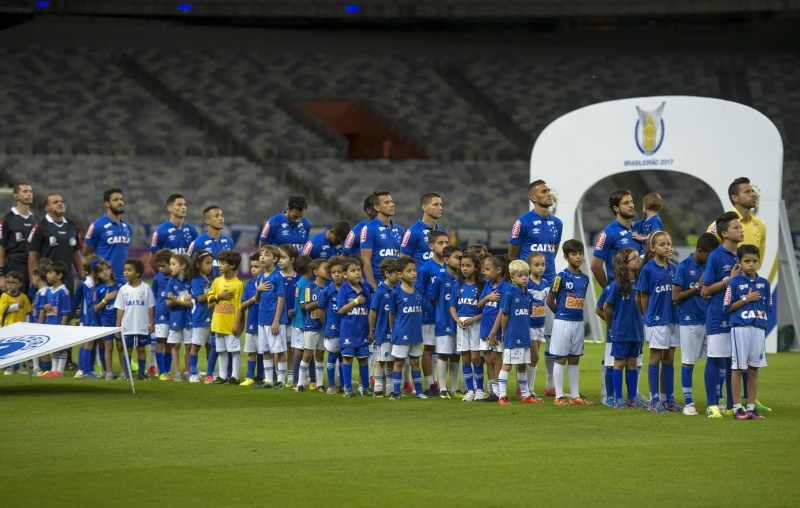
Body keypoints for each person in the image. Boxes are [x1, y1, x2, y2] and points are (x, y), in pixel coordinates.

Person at [508, 180, 563, 397]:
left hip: (549, 285)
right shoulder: (522, 222)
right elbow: (513, 254)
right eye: (544, 191)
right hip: (527, 289)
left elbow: (553, 251)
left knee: (548, 335)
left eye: (549, 190)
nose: (549, 194)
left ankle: (549, 385)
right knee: (526, 338)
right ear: (533, 198)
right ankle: (522, 388)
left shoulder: (557, 223)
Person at [701, 212, 743, 418]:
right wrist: (729, 279)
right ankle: (711, 405)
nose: (741, 230)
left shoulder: (741, 255)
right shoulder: (716, 257)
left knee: (734, 363)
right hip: (718, 316)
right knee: (716, 359)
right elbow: (706, 290)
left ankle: (733, 404)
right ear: (725, 233)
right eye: (736, 227)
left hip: (737, 318)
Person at [672, 232, 719, 416]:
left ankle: (716, 400)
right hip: (690, 321)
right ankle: (689, 403)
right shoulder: (683, 267)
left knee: (715, 360)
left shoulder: (710, 266)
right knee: (688, 362)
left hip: (709, 319)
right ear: (700, 251)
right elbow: (675, 296)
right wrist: (697, 287)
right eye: (710, 254)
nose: (712, 258)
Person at [723, 244, 771, 420]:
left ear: (759, 262)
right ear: (740, 262)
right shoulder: (734, 283)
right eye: (747, 261)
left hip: (757, 329)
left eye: (754, 261)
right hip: (740, 329)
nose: (751, 264)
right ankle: (737, 408)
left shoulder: (764, 284)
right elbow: (727, 308)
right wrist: (746, 299)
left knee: (753, 369)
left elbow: (767, 307)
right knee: (737, 369)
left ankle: (751, 408)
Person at [636, 231, 681, 413]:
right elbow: (641, 295)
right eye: (662, 244)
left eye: (669, 244)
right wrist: (647, 316)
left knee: (669, 359)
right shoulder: (648, 269)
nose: (667, 247)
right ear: (653, 248)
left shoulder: (673, 268)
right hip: (657, 319)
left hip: (673, 318)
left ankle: (667, 399)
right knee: (655, 358)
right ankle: (654, 399)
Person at [546, 239, 593, 405]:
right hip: (563, 323)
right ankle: (558, 396)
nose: (578, 257)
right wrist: (560, 314)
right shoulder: (560, 277)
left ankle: (574, 396)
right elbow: (550, 300)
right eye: (574, 254)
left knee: (575, 358)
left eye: (580, 253)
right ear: (566, 257)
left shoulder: (585, 279)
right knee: (561, 358)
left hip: (578, 323)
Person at [490, 260, 537, 405]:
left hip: (524, 336)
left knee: (522, 365)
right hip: (512, 336)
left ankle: (525, 394)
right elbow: (504, 315)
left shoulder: (529, 296)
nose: (524, 278)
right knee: (508, 364)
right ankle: (502, 396)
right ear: (512, 277)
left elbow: (527, 316)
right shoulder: (510, 293)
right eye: (520, 275)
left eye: (526, 275)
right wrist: (504, 333)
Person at [603, 249, 644, 409]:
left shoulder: (640, 283)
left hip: (637, 331)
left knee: (633, 363)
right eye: (634, 258)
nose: (638, 260)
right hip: (621, 331)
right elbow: (606, 306)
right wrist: (611, 324)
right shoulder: (617, 285)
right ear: (624, 264)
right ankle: (618, 398)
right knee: (619, 363)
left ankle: (632, 398)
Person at [388, 257, 430, 399]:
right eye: (409, 271)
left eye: (414, 270)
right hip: (401, 333)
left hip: (416, 334)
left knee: (415, 362)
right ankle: (395, 391)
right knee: (399, 362)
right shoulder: (396, 293)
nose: (413, 273)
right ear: (400, 274)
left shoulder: (418, 291)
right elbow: (392, 314)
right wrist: (393, 331)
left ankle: (419, 391)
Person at [27, 193, 84, 297]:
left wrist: (81, 276)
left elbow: (76, 252)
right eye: (55, 202)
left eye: (61, 201)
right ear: (47, 208)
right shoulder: (40, 227)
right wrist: (33, 278)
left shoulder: (71, 225)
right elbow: (33, 254)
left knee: (67, 311)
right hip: (47, 278)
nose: (60, 204)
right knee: (49, 310)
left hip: (66, 278)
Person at [416, 229, 449, 395]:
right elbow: (420, 292)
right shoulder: (426, 268)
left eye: (446, 243)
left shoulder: (452, 267)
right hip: (430, 314)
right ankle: (430, 383)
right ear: (431, 245)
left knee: (444, 349)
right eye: (440, 243)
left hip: (446, 315)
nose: (444, 246)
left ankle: (441, 382)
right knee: (429, 348)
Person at [708, 177, 766, 268]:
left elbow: (759, 260)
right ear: (735, 198)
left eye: (752, 191)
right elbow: (707, 256)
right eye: (747, 192)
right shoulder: (720, 224)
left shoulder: (760, 225)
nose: (753, 194)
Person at [450, 251, 485, 402]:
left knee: (476, 357)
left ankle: (480, 389)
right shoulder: (457, 286)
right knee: (465, 357)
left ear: (476, 267)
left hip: (476, 323)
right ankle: (470, 389)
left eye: (468, 266)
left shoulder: (482, 286)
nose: (464, 269)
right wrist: (457, 319)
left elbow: (488, 311)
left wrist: (475, 319)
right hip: (462, 324)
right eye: (462, 266)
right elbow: (452, 306)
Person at [113, 258, 155, 381]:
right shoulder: (123, 289)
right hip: (127, 326)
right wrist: (118, 326)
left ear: (138, 273)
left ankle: (141, 373)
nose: (126, 272)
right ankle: (127, 373)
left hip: (142, 325)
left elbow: (150, 306)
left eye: (129, 270)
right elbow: (120, 309)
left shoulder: (146, 288)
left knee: (141, 349)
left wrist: (151, 323)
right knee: (128, 349)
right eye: (125, 270)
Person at [591, 189, 642, 289]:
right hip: (622, 293)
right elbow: (595, 266)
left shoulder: (640, 229)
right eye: (626, 203)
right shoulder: (608, 233)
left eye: (631, 202)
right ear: (616, 208)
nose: (631, 205)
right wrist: (608, 290)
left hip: (642, 292)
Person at [430, 245, 462, 399]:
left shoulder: (463, 278)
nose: (460, 261)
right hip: (444, 322)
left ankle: (454, 388)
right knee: (443, 354)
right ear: (446, 260)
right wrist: (442, 310)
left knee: (456, 355)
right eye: (457, 257)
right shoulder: (441, 278)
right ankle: (442, 388)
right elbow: (432, 297)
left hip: (460, 323)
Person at [337, 257, 373, 397]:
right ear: (345, 274)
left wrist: (371, 330)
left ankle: (365, 388)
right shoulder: (344, 290)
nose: (357, 273)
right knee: (347, 358)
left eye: (358, 270)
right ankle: (348, 388)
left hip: (363, 331)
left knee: (364, 359)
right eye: (353, 271)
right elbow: (340, 310)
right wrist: (356, 301)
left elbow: (370, 311)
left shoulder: (365, 289)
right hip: (349, 332)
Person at [477, 255, 511, 403]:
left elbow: (502, 311)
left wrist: (493, 332)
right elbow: (479, 305)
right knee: (487, 358)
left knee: (496, 358)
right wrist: (487, 298)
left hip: (494, 330)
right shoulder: (488, 286)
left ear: (498, 270)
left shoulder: (506, 287)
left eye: (487, 269)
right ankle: (491, 390)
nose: (484, 272)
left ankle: (498, 391)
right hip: (484, 327)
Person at [208, 250, 244, 384]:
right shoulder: (217, 281)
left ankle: (235, 376)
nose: (219, 266)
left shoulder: (238, 284)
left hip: (231, 324)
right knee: (221, 351)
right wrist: (219, 296)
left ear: (232, 265)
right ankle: (222, 376)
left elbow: (240, 306)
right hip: (218, 323)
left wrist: (237, 324)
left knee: (234, 351)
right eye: (219, 263)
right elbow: (209, 300)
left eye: (223, 263)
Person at [254, 245, 287, 389]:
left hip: (274, 320)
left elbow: (281, 299)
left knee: (278, 350)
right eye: (261, 254)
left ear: (274, 259)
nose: (262, 257)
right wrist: (258, 291)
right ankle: (268, 380)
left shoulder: (278, 276)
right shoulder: (260, 277)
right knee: (266, 350)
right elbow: (257, 299)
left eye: (266, 255)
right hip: (262, 319)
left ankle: (281, 380)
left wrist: (276, 320)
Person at [83, 187, 132, 281]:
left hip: (123, 279)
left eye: (121, 199)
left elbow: (125, 250)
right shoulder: (97, 225)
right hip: (105, 279)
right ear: (107, 203)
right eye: (115, 200)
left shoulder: (127, 226)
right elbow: (86, 253)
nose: (120, 202)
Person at [360, 190, 404, 290]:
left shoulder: (400, 230)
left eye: (391, 202)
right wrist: (372, 284)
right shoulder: (368, 228)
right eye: (386, 202)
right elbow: (365, 259)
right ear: (377, 207)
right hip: (378, 282)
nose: (392, 205)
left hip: (397, 283)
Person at [296, 258, 328, 392]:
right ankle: (300, 383)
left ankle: (319, 384)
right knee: (307, 354)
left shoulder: (328, 287)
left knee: (320, 354)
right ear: (316, 272)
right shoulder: (310, 287)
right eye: (325, 268)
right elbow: (307, 306)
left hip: (324, 326)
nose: (328, 271)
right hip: (311, 326)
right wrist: (322, 299)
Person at [369, 259, 399, 397]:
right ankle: (378, 388)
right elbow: (373, 311)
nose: (399, 276)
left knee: (391, 361)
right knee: (381, 360)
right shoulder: (380, 292)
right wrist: (372, 330)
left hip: (395, 332)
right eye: (396, 273)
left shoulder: (397, 291)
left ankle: (390, 388)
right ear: (387, 274)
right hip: (383, 331)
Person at [0, 183, 37, 290]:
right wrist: (1, 275)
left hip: (32, 267)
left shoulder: (36, 220)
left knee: (30, 302)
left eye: (30, 191)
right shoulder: (7, 220)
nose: (29, 194)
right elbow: (1, 248)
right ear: (16, 196)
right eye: (25, 191)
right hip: (13, 266)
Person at [39, 261, 72, 378]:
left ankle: (60, 371)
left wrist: (62, 326)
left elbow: (66, 311)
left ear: (59, 275)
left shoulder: (64, 291)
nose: (47, 275)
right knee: (54, 347)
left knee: (61, 348)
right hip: (50, 324)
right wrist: (45, 307)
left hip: (59, 324)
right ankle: (53, 370)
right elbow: (43, 306)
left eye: (50, 272)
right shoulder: (48, 291)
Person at [149, 194, 199, 270]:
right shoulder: (161, 231)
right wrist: (165, 277)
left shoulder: (192, 230)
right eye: (179, 205)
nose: (183, 207)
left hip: (187, 279)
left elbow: (196, 258)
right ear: (169, 208)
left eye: (184, 205)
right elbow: (152, 261)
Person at [318, 255, 345, 394]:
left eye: (339, 272)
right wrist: (327, 324)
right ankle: (331, 385)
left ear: (344, 273)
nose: (336, 275)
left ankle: (343, 384)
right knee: (332, 355)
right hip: (332, 329)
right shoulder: (327, 291)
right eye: (333, 272)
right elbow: (320, 310)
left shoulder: (349, 289)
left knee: (344, 357)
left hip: (347, 330)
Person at [93, 259, 122, 380]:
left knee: (121, 347)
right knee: (108, 347)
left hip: (120, 319)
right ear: (97, 275)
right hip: (106, 320)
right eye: (101, 271)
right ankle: (109, 372)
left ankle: (123, 372)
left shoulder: (120, 285)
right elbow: (96, 308)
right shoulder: (99, 289)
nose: (104, 273)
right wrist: (106, 299)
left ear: (110, 270)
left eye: (106, 269)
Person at [401, 192, 447, 269]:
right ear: (424, 207)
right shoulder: (413, 231)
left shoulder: (443, 231)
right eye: (435, 204)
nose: (440, 208)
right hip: (421, 280)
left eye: (440, 204)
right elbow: (403, 261)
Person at [525, 252, 549, 402]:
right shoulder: (526, 283)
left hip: (540, 324)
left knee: (533, 359)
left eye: (543, 265)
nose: (540, 268)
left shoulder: (545, 283)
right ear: (529, 266)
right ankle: (528, 390)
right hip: (529, 325)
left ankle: (526, 389)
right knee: (534, 357)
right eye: (537, 265)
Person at [187, 251, 214, 383]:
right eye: (207, 263)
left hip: (212, 317)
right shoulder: (196, 280)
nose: (210, 266)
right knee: (196, 345)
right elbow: (200, 298)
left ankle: (210, 372)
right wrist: (215, 293)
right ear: (198, 264)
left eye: (211, 263)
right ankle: (193, 372)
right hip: (200, 317)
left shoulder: (210, 279)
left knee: (210, 346)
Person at [166, 253, 192, 382]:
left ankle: (187, 371)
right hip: (176, 318)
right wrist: (183, 301)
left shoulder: (191, 281)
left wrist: (176, 300)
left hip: (189, 318)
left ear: (183, 266)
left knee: (188, 346)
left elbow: (192, 302)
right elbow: (168, 302)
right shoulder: (171, 282)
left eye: (173, 264)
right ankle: (176, 372)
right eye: (170, 264)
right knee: (175, 345)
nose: (170, 267)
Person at [187, 205, 235, 277]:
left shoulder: (229, 241)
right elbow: (189, 267)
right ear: (207, 221)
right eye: (216, 216)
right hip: (206, 287)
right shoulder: (197, 243)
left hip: (225, 286)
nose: (221, 218)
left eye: (222, 216)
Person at [150, 248, 174, 381]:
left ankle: (167, 370)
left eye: (163, 266)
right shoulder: (157, 280)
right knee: (161, 342)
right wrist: (152, 319)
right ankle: (162, 372)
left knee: (170, 344)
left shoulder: (177, 278)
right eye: (158, 266)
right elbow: (153, 300)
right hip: (161, 316)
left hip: (175, 315)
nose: (160, 269)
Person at [0, 271, 32, 375]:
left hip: (20, 326)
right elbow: (3, 310)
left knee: (19, 347)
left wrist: (28, 325)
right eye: (8, 282)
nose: (10, 284)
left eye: (13, 282)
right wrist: (16, 306)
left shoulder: (23, 297)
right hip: (7, 325)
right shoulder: (4, 296)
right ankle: (8, 367)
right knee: (9, 347)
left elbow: (27, 312)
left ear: (20, 284)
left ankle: (17, 367)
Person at [240, 253, 263, 386]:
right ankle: (249, 377)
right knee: (251, 350)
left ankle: (262, 376)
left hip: (265, 323)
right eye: (252, 267)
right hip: (252, 323)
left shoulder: (270, 283)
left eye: (256, 266)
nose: (253, 269)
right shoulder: (249, 285)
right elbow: (242, 305)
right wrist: (253, 299)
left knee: (264, 351)